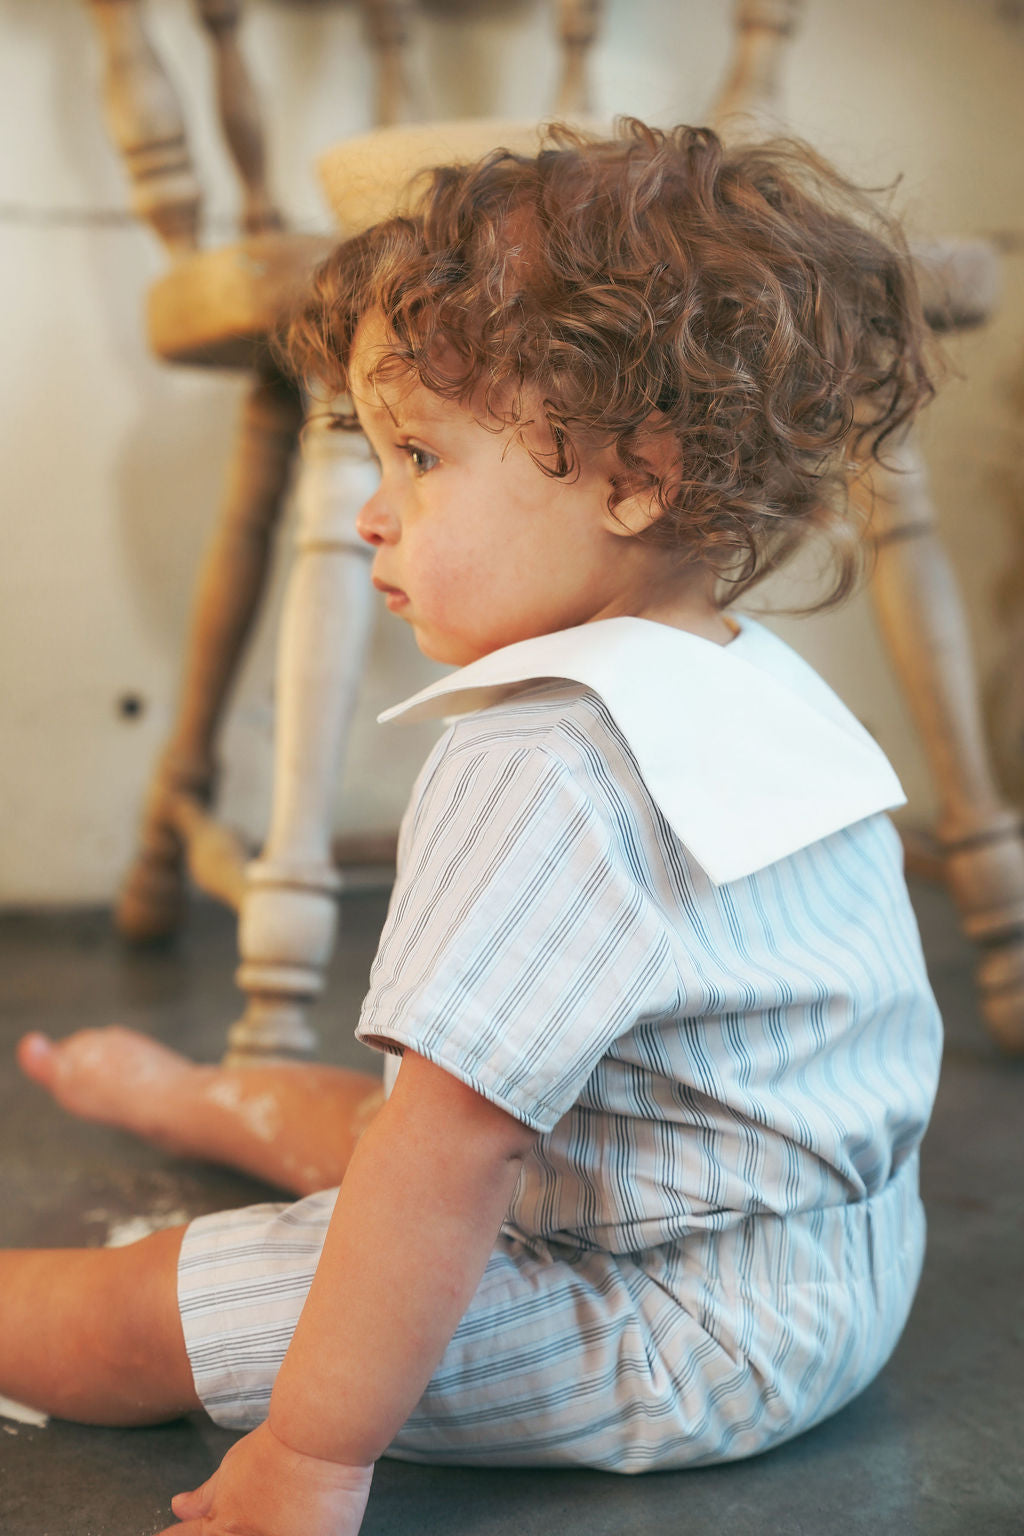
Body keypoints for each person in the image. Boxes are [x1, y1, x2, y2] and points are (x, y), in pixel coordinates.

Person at [4, 121, 943, 1536]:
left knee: (160, 1299)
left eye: (424, 457)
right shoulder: (753, 676)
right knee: (420, 1113)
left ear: (638, 474)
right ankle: (204, 1098)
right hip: (840, 1274)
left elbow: (451, 1159)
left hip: (671, 1332)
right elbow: (471, 1118)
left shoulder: (542, 758)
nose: (374, 515)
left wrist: (312, 1459)